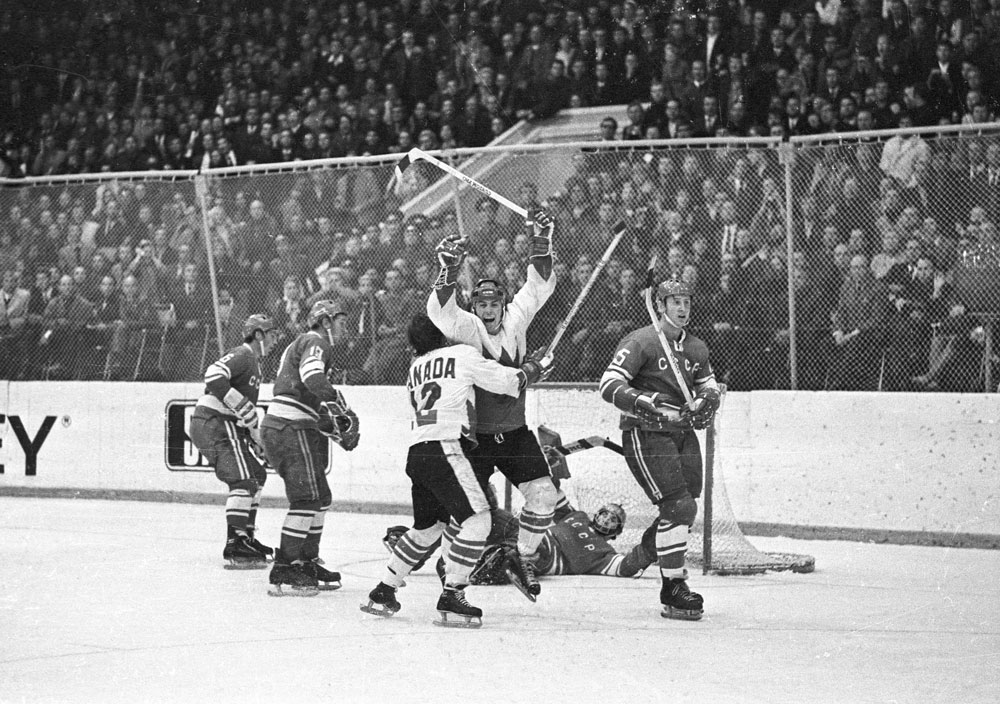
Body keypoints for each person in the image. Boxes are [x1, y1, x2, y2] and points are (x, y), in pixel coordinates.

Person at [361, 313, 553, 628]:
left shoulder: (415, 368)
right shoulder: (461, 354)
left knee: (428, 528)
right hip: (446, 447)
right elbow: (506, 382)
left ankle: (383, 590)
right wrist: (533, 368)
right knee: (479, 521)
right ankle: (453, 593)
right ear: (444, 335)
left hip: (418, 450)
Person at [426, 207, 561, 602]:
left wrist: (542, 238)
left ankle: (520, 557)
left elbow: (538, 284)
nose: (488, 310)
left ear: (502, 304)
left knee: (544, 496)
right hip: (476, 439)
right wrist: (449, 269)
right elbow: (441, 312)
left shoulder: (516, 322)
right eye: (481, 304)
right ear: (475, 306)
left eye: (493, 304)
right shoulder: (467, 327)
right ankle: (451, 566)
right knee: (464, 514)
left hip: (515, 434)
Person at [598, 278, 721, 621]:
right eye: (675, 302)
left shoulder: (696, 347)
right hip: (646, 431)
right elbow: (608, 384)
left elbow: (708, 386)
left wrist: (706, 401)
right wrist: (642, 400)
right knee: (677, 505)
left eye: (686, 302)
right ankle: (673, 585)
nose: (683, 308)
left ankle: (639, 560)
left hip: (682, 431)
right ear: (661, 305)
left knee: (685, 507)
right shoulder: (641, 341)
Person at [260, 300, 361, 596]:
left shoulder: (305, 343)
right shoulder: (316, 341)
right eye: (341, 321)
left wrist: (336, 431)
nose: (346, 328)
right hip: (289, 427)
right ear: (326, 321)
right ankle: (287, 565)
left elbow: (308, 401)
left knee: (321, 497)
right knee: (307, 500)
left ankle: (306, 559)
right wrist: (341, 406)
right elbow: (313, 379)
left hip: (289, 424)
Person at [189, 314, 280, 569]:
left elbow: (246, 411)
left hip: (221, 423)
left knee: (257, 474)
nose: (275, 341)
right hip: (215, 421)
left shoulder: (254, 363)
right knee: (243, 479)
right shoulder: (244, 354)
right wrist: (241, 408)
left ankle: (246, 536)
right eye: (272, 335)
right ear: (259, 334)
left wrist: (257, 439)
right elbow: (214, 374)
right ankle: (236, 541)